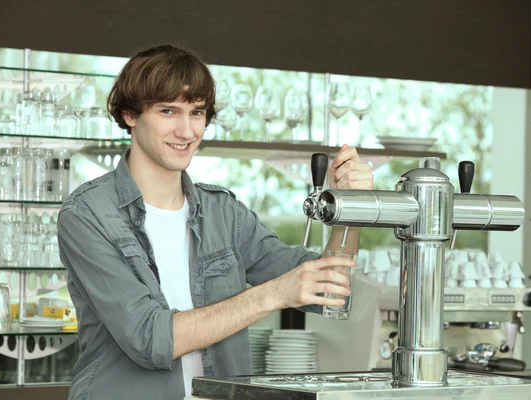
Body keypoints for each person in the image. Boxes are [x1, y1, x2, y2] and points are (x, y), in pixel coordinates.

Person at [57, 44, 374, 400]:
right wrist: (273, 293)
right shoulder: (87, 215)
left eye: (197, 112)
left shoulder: (224, 212)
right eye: (168, 111)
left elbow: (330, 292)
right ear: (131, 114)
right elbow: (150, 339)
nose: (186, 130)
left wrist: (351, 207)